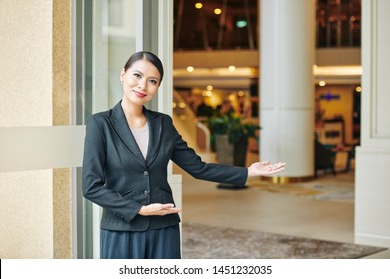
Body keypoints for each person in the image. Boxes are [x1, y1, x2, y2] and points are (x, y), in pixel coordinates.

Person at [82, 51, 286, 259]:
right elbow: (91, 187)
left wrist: (247, 171)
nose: (143, 85)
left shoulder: (163, 124)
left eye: (152, 81)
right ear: (123, 74)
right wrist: (138, 209)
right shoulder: (100, 124)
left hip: (164, 227)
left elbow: (198, 168)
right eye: (137, 75)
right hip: (121, 229)